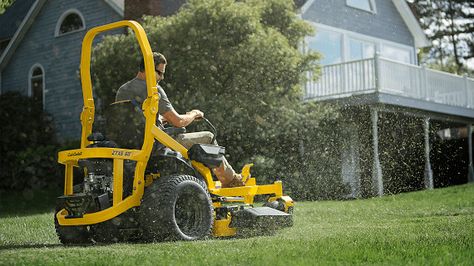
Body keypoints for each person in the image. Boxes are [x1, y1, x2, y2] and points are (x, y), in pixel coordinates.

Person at [115, 52, 244, 188]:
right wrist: (194, 114)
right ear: (148, 68)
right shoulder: (153, 90)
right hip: (157, 146)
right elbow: (178, 121)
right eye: (160, 73)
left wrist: (161, 119)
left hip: (132, 146)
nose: (162, 77)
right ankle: (230, 181)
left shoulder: (123, 90)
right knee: (208, 136)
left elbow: (135, 119)